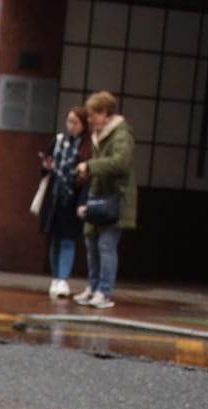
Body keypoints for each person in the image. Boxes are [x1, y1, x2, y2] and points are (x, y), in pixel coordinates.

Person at [74, 90, 138, 309]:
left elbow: (121, 162)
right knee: (91, 242)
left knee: (106, 245)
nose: (90, 120)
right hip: (99, 195)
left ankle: (104, 290)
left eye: (93, 115)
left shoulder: (121, 135)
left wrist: (91, 167)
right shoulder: (99, 135)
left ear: (105, 112)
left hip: (115, 197)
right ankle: (94, 286)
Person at [38, 108, 88, 299]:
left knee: (68, 239)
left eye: (75, 122)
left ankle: (63, 278)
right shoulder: (58, 141)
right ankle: (56, 276)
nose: (71, 126)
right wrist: (46, 166)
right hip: (55, 196)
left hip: (73, 197)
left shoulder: (86, 146)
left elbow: (87, 176)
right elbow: (44, 169)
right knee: (55, 238)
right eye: (69, 122)